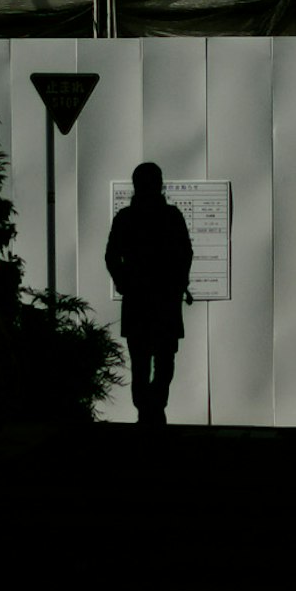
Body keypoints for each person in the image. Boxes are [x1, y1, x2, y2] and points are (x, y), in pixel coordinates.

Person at [103, 159, 195, 427]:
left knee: (140, 362)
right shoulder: (171, 216)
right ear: (159, 184)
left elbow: (111, 256)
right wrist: (179, 282)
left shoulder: (125, 218)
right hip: (165, 299)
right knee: (165, 360)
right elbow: (185, 253)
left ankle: (146, 408)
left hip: (137, 301)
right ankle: (155, 406)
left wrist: (124, 282)